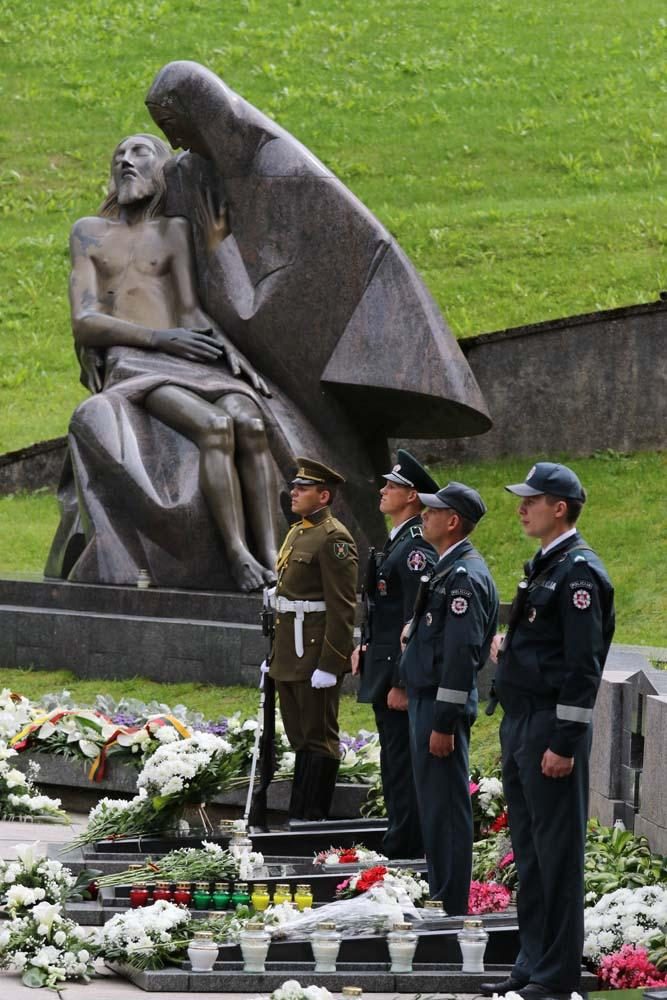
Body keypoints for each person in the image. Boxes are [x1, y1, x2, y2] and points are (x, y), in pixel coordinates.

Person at [52, 133, 280, 591]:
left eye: (140, 153)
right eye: (119, 155)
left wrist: (229, 354)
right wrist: (160, 338)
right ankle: (236, 553)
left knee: (252, 423)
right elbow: (85, 320)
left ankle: (275, 556)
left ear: (162, 172)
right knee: (215, 428)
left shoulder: (173, 231)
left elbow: (191, 310)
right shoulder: (89, 232)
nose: (126, 161)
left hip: (187, 355)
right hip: (136, 362)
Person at [480, 462, 615, 1000]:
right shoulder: (545, 565)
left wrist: (565, 742)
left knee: (556, 855)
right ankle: (531, 963)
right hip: (521, 722)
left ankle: (555, 977)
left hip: (548, 727)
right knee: (530, 853)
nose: (521, 506)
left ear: (559, 508)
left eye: (531, 500)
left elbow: (583, 667)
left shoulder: (579, 572)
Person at [400, 482, 499, 913]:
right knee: (434, 809)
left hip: (440, 708)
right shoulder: (448, 568)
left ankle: (451, 904)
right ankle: (442, 894)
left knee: (445, 810)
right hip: (427, 701)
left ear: (453, 521)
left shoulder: (463, 577)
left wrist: (443, 722)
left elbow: (460, 657)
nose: (424, 515)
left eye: (433, 511)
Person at [352, 449, 438, 858]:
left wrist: (403, 681)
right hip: (382, 668)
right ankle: (399, 836)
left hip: (397, 676)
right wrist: (363, 645)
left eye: (393, 485)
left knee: (403, 765)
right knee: (393, 761)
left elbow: (415, 617)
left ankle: (405, 847)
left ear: (412, 496)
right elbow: (380, 609)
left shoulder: (418, 547)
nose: (383, 490)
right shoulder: (398, 540)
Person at [268, 457, 358, 821]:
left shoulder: (334, 537)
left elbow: (342, 606)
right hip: (290, 652)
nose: (294, 492)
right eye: (295, 486)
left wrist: (331, 663)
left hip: (314, 653)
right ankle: (298, 813)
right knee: (300, 737)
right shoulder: (298, 531)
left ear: (323, 495)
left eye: (302, 488)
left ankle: (312, 817)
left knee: (319, 738)